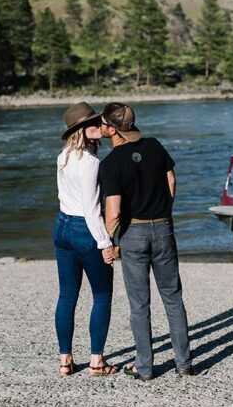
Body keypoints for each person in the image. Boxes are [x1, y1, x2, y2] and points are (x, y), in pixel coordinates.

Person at [99, 102, 194, 381]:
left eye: (104, 123)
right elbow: (171, 180)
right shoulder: (154, 145)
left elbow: (114, 211)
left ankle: (145, 368)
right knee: (173, 299)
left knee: (140, 304)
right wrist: (164, 212)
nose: (102, 127)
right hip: (163, 228)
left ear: (112, 129)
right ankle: (184, 364)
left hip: (134, 234)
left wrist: (108, 242)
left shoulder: (111, 163)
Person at [53, 102, 119, 377]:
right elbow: (93, 210)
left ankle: (65, 361)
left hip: (62, 226)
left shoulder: (63, 156)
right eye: (93, 123)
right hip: (85, 230)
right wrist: (106, 244)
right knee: (102, 295)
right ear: (81, 130)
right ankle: (96, 362)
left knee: (67, 294)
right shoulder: (91, 163)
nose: (99, 127)